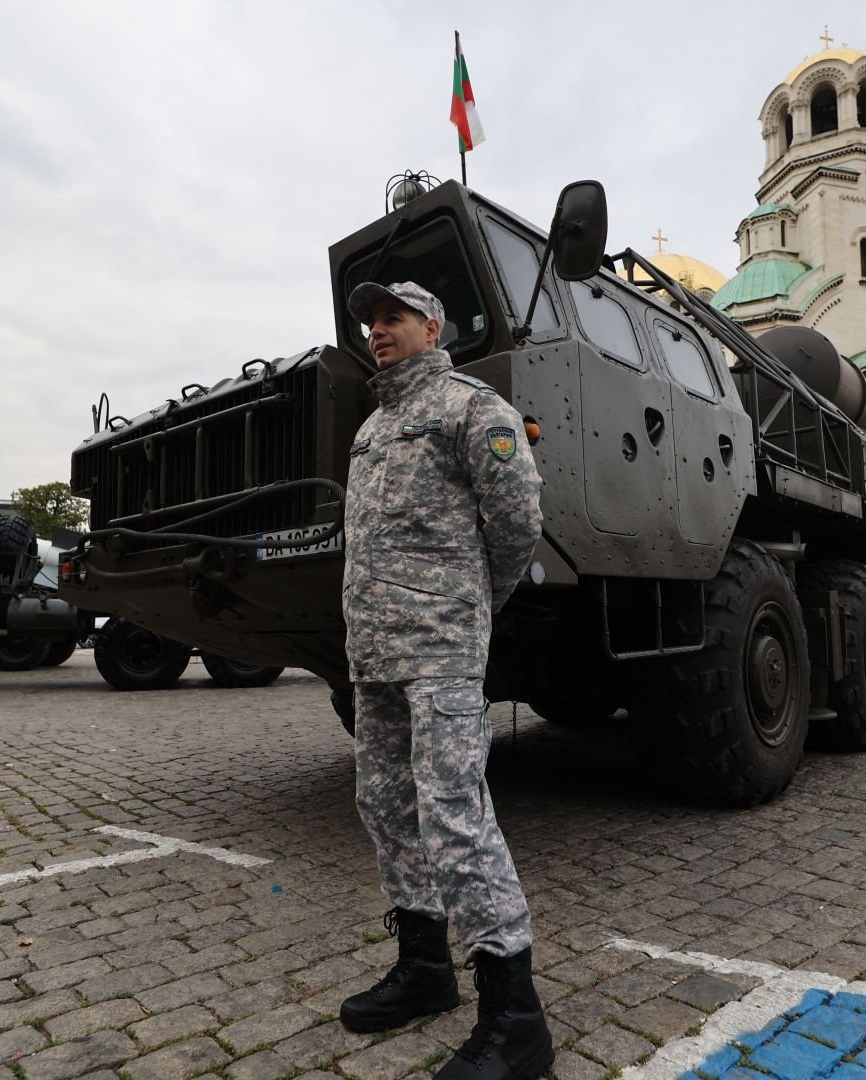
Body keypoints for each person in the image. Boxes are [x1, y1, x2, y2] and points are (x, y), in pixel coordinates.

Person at [337, 280, 551, 1080]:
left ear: (434, 325)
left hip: (439, 647)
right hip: (376, 652)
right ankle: (425, 970)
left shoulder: (471, 407)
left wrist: (467, 607)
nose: (377, 331)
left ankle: (516, 1018)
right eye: (370, 321)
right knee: (385, 805)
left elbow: (519, 519)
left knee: (454, 811)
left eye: (392, 317)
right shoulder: (370, 427)